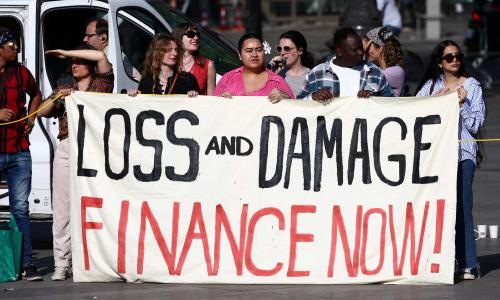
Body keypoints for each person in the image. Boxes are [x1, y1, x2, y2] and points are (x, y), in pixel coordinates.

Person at [38, 44, 114, 281]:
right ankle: (62, 262)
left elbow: (101, 56)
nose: (74, 64)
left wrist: (69, 52)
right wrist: (57, 98)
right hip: (68, 144)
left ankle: (95, 260)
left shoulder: (101, 85)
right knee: (62, 208)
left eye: (79, 61)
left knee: (96, 204)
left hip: (93, 147)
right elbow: (41, 112)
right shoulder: (65, 86)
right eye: (72, 62)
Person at [415, 40, 485, 280]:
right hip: (436, 156)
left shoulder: (473, 86)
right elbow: (414, 110)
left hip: (463, 154)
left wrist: (462, 103)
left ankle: (470, 263)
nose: (455, 60)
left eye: (457, 55)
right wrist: (436, 100)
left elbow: (475, 125)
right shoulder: (432, 85)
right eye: (449, 57)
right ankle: (444, 260)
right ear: (439, 63)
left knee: (462, 207)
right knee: (438, 209)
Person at [0, 27, 42, 281]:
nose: (16, 48)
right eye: (11, 44)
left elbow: (35, 94)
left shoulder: (21, 73)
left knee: (20, 209)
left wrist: (33, 114)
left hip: (18, 151)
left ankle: (28, 265)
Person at [298, 27, 393, 101]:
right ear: (339, 51)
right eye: (355, 50)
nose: (360, 52)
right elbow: (298, 104)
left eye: (361, 48)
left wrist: (372, 99)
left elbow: (391, 101)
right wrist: (313, 97)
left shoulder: (374, 72)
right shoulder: (317, 73)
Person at [213, 33, 294, 101]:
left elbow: (294, 110)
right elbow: (212, 108)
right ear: (239, 55)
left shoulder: (277, 82)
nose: (254, 55)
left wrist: (286, 99)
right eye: (249, 51)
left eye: (259, 50)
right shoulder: (228, 79)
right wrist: (220, 101)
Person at [129, 33, 199, 96]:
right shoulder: (147, 81)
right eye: (169, 50)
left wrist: (194, 96)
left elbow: (198, 106)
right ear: (157, 53)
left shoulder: (188, 79)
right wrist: (134, 95)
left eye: (176, 50)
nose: (175, 53)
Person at [171, 23, 216, 95]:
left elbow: (211, 99)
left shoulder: (208, 65)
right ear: (179, 38)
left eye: (197, 35)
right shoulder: (170, 62)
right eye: (190, 34)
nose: (196, 38)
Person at [268, 30, 314, 97]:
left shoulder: (311, 76)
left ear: (300, 51)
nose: (282, 53)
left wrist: (289, 98)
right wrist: (272, 73)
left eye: (287, 49)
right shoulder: (277, 73)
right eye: (279, 49)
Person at [364, 27, 407, 96]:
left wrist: (362, 53)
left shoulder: (397, 71)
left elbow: (365, 80)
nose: (366, 51)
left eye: (368, 47)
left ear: (380, 48)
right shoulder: (378, 69)